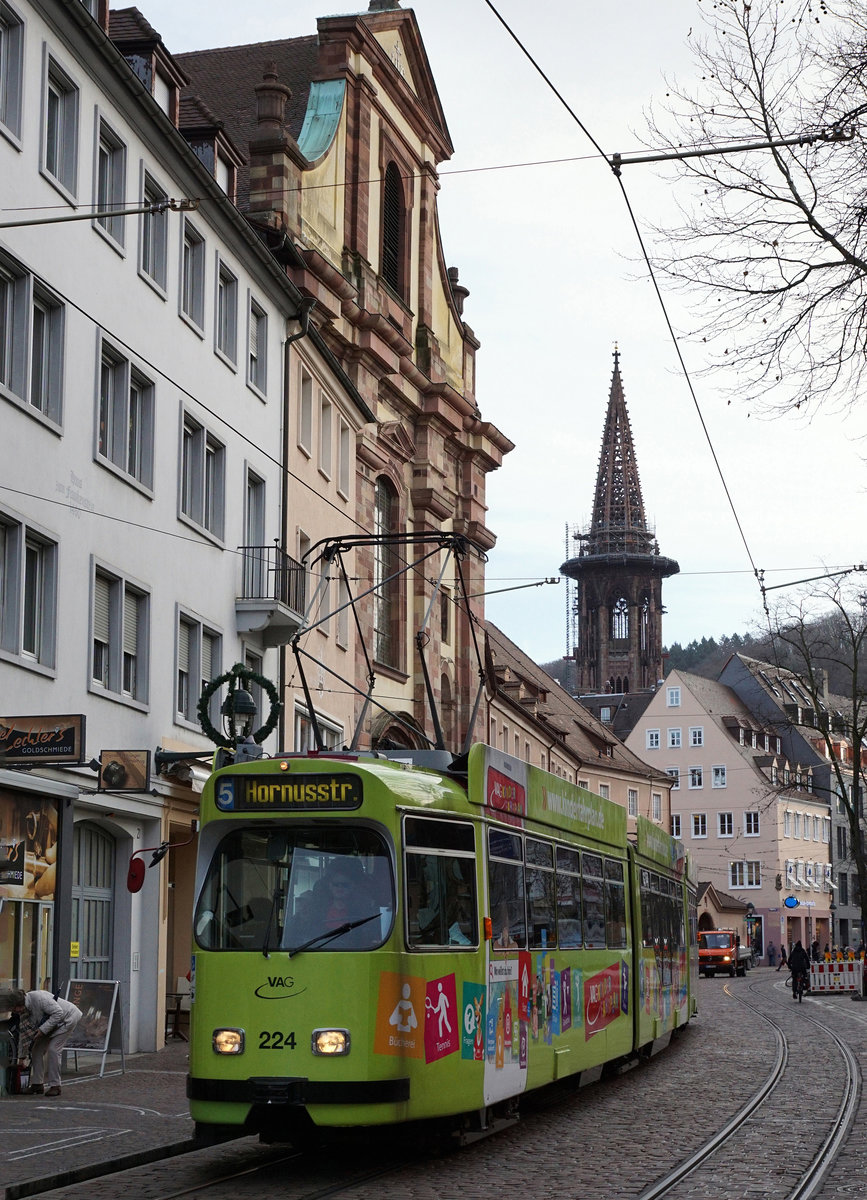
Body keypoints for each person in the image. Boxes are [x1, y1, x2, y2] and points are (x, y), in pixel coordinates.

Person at [1, 988, 82, 1097]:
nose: (15, 1012)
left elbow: (58, 1012)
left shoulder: (39, 999)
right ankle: (37, 1084)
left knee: (53, 1049)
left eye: (15, 1009)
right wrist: (22, 1057)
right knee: (36, 1050)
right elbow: (23, 1034)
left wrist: (42, 1030)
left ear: (20, 1004)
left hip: (67, 1019)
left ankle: (55, 1086)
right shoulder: (24, 1011)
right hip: (51, 1023)